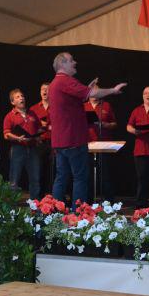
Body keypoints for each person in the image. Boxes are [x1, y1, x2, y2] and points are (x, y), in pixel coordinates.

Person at [48, 52, 126, 208]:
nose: (75, 62)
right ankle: (78, 213)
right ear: (62, 64)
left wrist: (86, 89)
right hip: (73, 139)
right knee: (80, 178)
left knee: (62, 177)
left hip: (60, 141)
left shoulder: (55, 83)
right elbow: (93, 93)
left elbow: (79, 96)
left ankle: (53, 212)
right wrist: (113, 90)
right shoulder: (65, 81)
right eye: (71, 60)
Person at [3, 89, 42, 199]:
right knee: (14, 180)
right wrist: (18, 138)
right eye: (18, 97)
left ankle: (35, 204)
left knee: (35, 179)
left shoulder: (32, 113)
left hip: (32, 148)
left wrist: (39, 135)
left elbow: (38, 128)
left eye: (22, 96)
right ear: (12, 102)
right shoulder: (10, 116)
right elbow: (6, 134)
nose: (21, 98)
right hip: (18, 149)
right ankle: (11, 205)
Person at [84, 96, 117, 202]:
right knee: (87, 174)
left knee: (106, 174)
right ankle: (87, 202)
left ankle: (108, 201)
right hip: (87, 144)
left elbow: (114, 124)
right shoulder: (83, 106)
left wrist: (106, 125)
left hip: (104, 145)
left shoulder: (106, 105)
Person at [30, 82, 54, 197]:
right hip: (39, 143)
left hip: (54, 143)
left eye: (47, 89)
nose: (44, 91)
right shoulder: (33, 109)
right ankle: (39, 198)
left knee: (53, 171)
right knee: (38, 170)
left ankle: (53, 196)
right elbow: (29, 127)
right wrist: (40, 126)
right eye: (42, 89)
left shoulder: (56, 106)